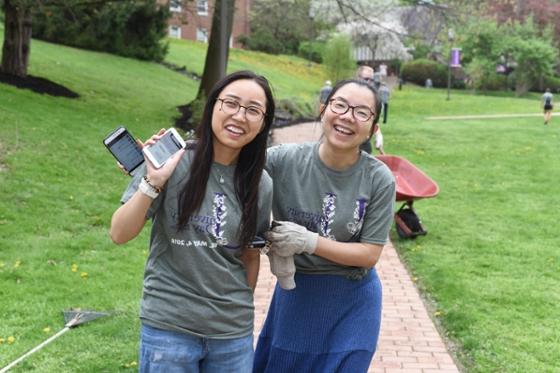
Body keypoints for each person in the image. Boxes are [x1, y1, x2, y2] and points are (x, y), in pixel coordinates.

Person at [109, 70, 275, 372]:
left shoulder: (260, 183)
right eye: (231, 103)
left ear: (263, 122)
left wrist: (233, 310)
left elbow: (250, 255)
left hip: (231, 336)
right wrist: (153, 181)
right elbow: (119, 233)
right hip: (169, 328)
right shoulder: (170, 161)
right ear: (213, 106)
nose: (240, 116)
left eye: (253, 110)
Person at [253, 79, 396, 372]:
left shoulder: (378, 178)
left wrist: (309, 241)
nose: (347, 116)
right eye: (340, 105)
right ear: (323, 109)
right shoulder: (284, 161)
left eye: (362, 112)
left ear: (374, 128)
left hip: (353, 301)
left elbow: (369, 254)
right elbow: (230, 168)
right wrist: (178, 160)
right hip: (297, 295)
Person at [356, 65, 383, 154]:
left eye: (372, 80)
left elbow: (374, 121)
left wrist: (378, 135)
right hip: (349, 144)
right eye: (366, 79)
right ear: (358, 78)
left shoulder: (373, 99)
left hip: (365, 145)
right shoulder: (350, 96)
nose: (370, 83)